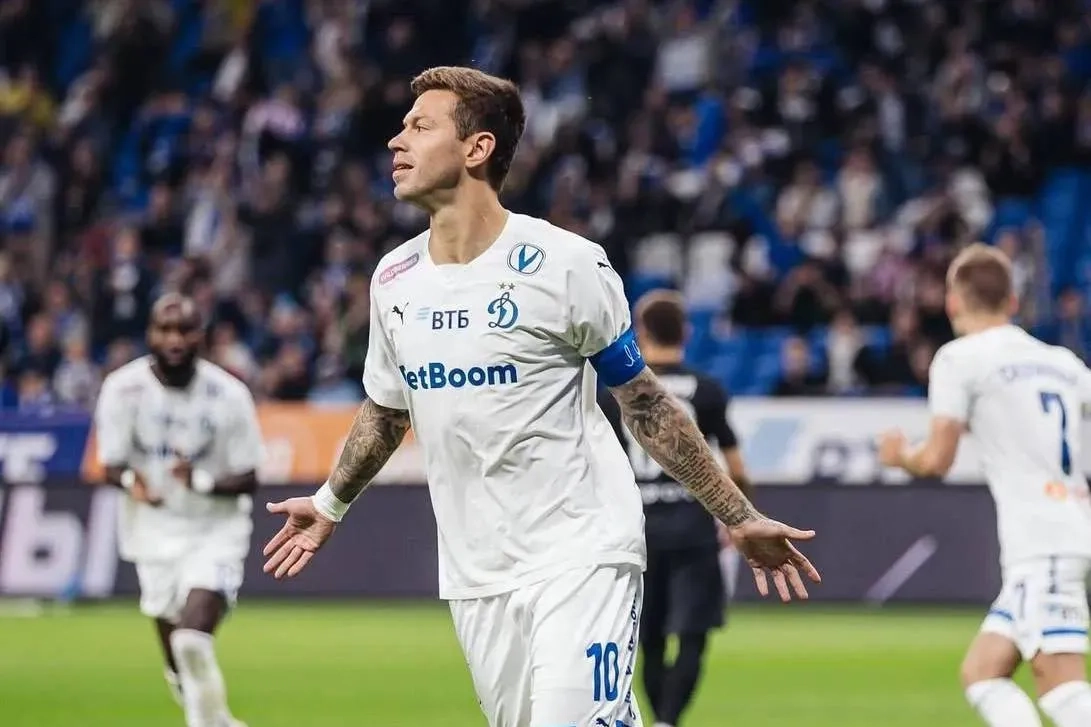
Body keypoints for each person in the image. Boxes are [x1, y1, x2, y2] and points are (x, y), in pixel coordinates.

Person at [262, 66, 820, 727]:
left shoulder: (565, 263)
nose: (395, 140)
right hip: (476, 570)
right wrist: (329, 503)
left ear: (477, 148)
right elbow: (387, 410)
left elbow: (644, 403)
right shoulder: (394, 278)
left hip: (581, 548)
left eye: (420, 126)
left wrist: (736, 514)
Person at [878, 243, 1091, 727]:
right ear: (1012, 301)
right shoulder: (1060, 361)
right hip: (1065, 527)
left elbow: (937, 459)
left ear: (953, 301)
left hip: (1042, 541)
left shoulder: (959, 359)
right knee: (982, 673)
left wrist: (899, 456)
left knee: (1063, 690)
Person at [93, 293, 263, 727]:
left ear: (200, 336)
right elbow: (110, 465)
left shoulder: (228, 395)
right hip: (152, 532)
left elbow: (249, 476)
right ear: (149, 334)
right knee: (183, 670)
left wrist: (200, 481)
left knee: (191, 641)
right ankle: (220, 722)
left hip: (215, 530)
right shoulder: (122, 389)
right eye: (165, 330)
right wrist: (133, 482)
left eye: (184, 330)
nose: (174, 340)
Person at [597, 289, 753, 727]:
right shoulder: (708, 390)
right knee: (692, 635)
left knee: (647, 640)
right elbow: (737, 468)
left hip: (638, 532)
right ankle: (668, 721)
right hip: (693, 531)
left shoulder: (613, 394)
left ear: (640, 332)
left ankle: (660, 721)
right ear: (685, 332)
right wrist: (738, 517)